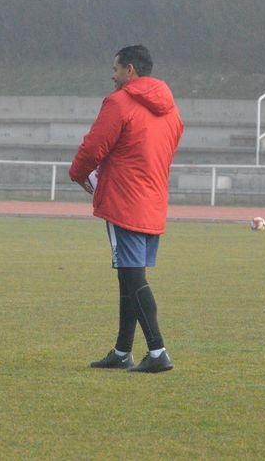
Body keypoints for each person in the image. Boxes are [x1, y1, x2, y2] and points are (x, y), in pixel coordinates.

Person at [69, 45, 183, 373]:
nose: (112, 75)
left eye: (116, 69)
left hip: (124, 200)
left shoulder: (119, 102)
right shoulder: (171, 111)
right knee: (128, 276)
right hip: (153, 200)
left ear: (130, 70)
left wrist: (77, 174)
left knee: (133, 278)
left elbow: (95, 145)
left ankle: (158, 350)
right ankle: (122, 351)